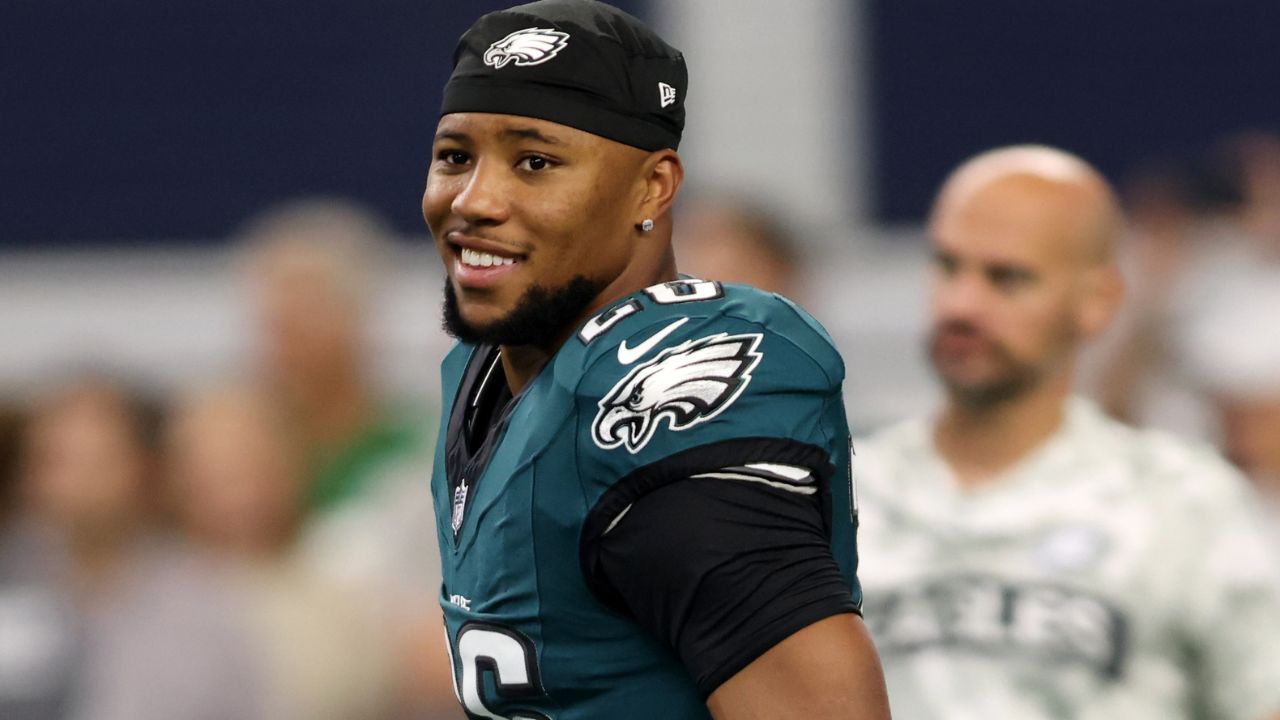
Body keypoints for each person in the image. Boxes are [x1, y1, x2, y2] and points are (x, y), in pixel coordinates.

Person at [422, 2, 890, 718]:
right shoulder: (486, 374)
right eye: (456, 156)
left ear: (652, 188)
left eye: (535, 162)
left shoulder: (649, 392)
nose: (474, 199)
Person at [855, 145, 1280, 720]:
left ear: (1097, 300)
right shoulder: (843, 495)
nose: (961, 304)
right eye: (948, 266)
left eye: (1006, 278)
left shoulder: (1182, 500)